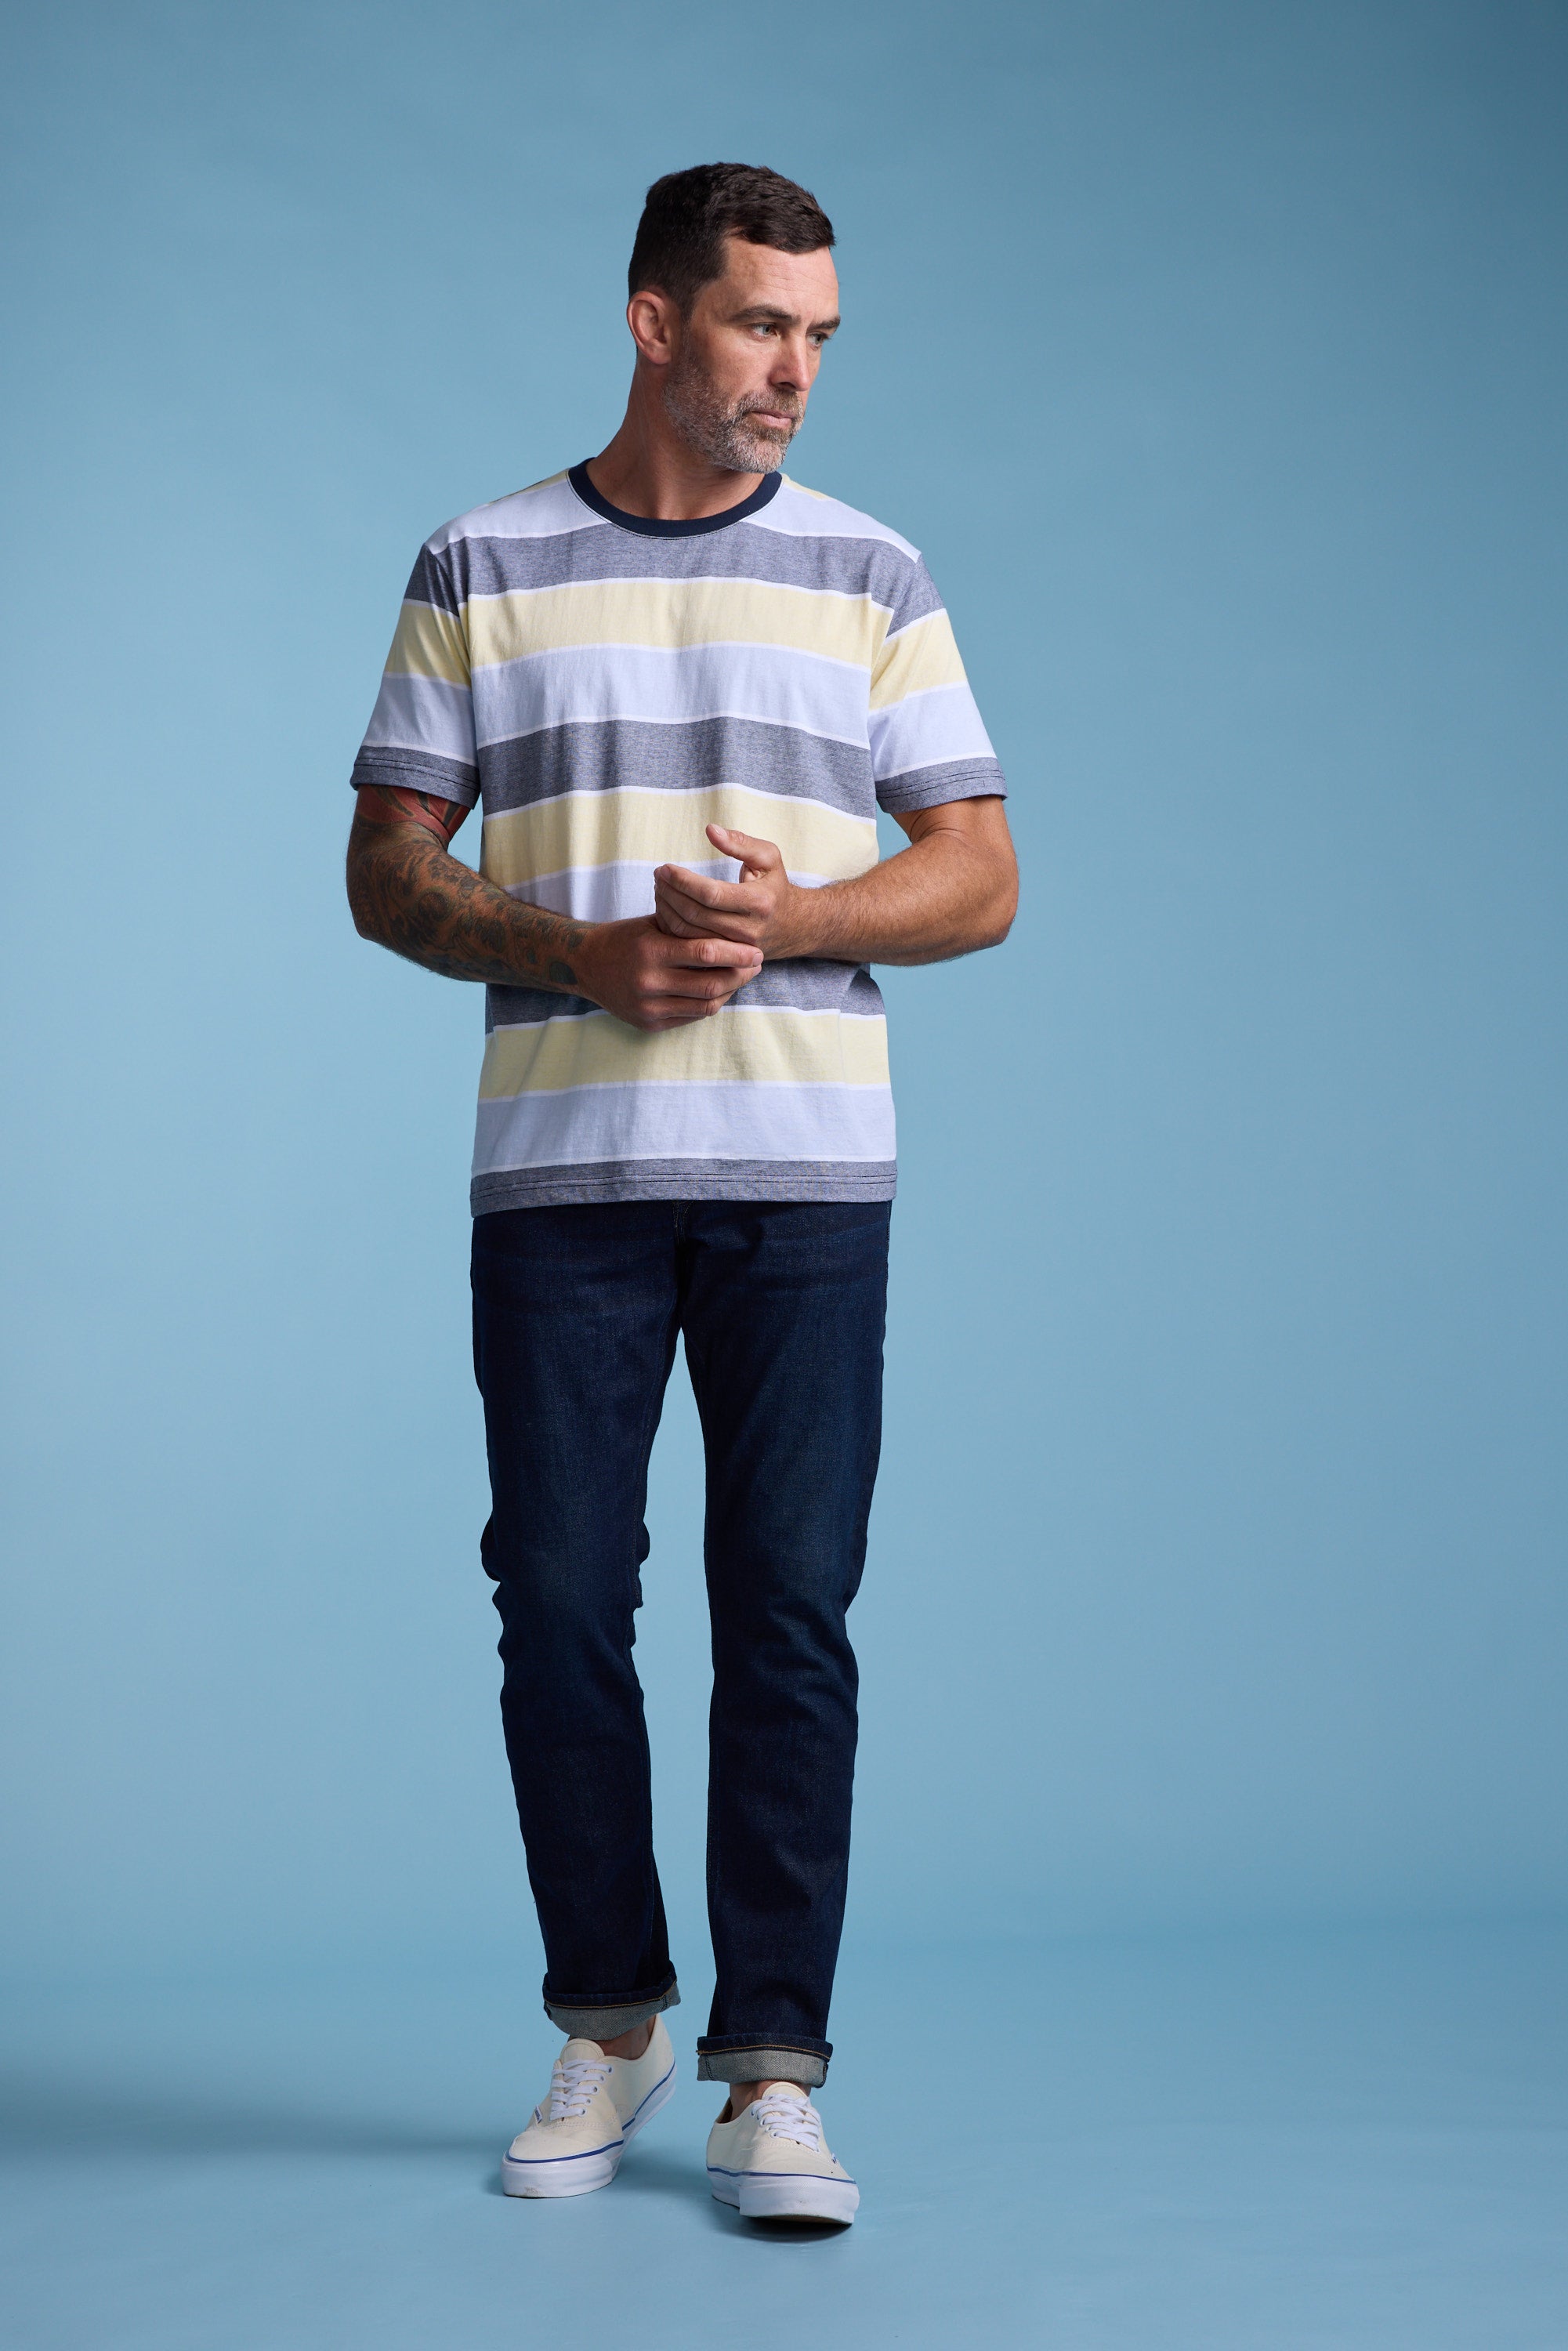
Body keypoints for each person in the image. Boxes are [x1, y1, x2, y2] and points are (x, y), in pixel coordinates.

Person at [346, 161, 1016, 2226]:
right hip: (560, 1180)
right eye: (755, 324)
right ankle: (610, 2020)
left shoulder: (872, 572)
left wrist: (802, 910)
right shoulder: (481, 557)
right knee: (555, 1608)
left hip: (809, 1179)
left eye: (816, 333)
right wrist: (578, 954)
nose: (790, 369)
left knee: (788, 1616)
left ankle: (770, 2072)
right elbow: (385, 869)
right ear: (654, 320)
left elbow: (978, 874)